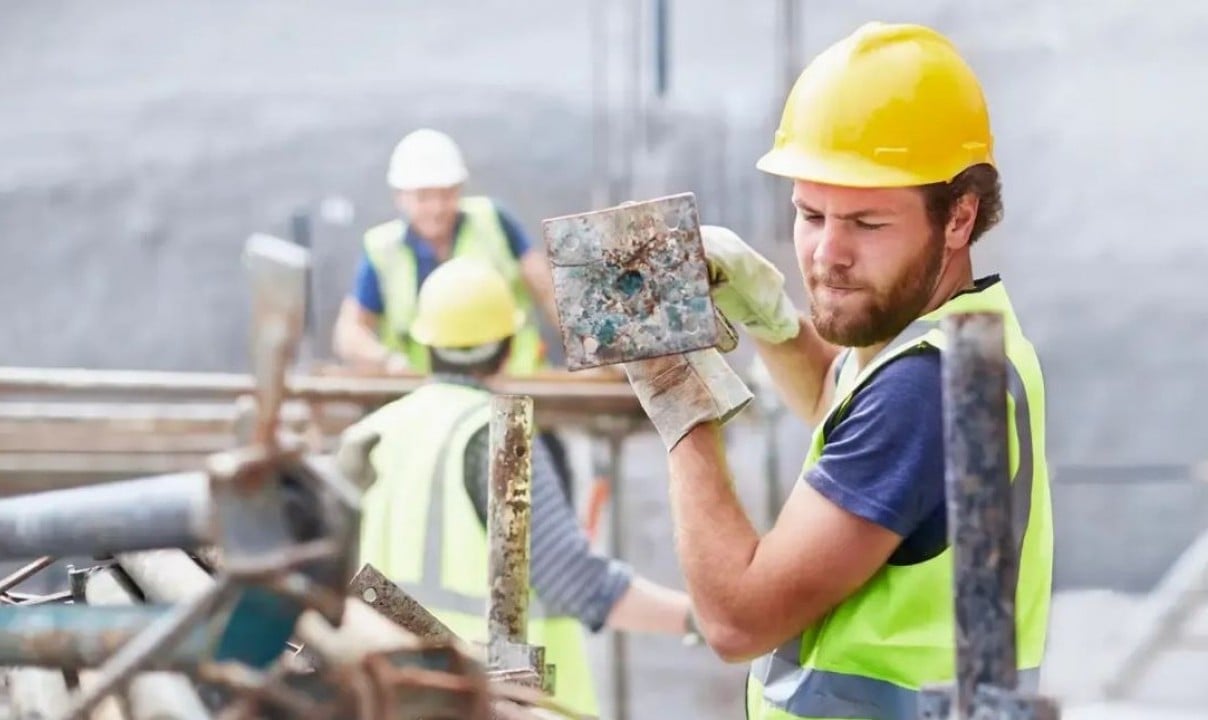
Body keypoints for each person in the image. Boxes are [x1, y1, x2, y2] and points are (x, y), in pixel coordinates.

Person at [619, 22, 1054, 719]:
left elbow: (736, 619)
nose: (827, 254)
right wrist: (771, 319)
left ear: (959, 216)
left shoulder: (923, 389)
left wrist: (676, 393)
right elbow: (840, 398)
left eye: (866, 224)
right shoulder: (945, 338)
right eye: (810, 214)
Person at [353, 256, 697, 717]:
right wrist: (701, 619)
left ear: (424, 344)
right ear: (510, 344)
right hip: (488, 703)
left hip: (386, 699)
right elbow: (575, 583)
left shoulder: (368, 434)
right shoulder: (498, 438)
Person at [332, 127, 560, 376]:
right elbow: (350, 332)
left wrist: (594, 346)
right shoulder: (382, 250)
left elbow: (550, 292)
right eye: (424, 197)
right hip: (427, 400)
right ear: (400, 197)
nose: (437, 208)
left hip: (513, 391)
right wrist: (389, 362)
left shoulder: (494, 223)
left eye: (446, 194)